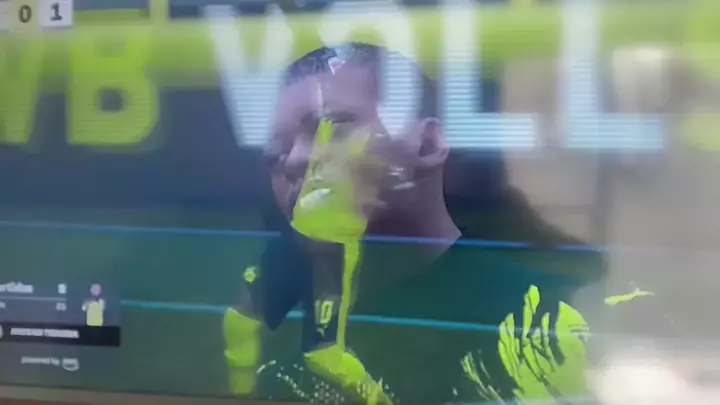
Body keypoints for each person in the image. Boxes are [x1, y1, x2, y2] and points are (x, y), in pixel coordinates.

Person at [223, 42, 607, 404]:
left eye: (333, 126)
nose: (293, 160)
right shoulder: (275, 318)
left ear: (427, 144)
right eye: (275, 154)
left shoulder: (544, 316)